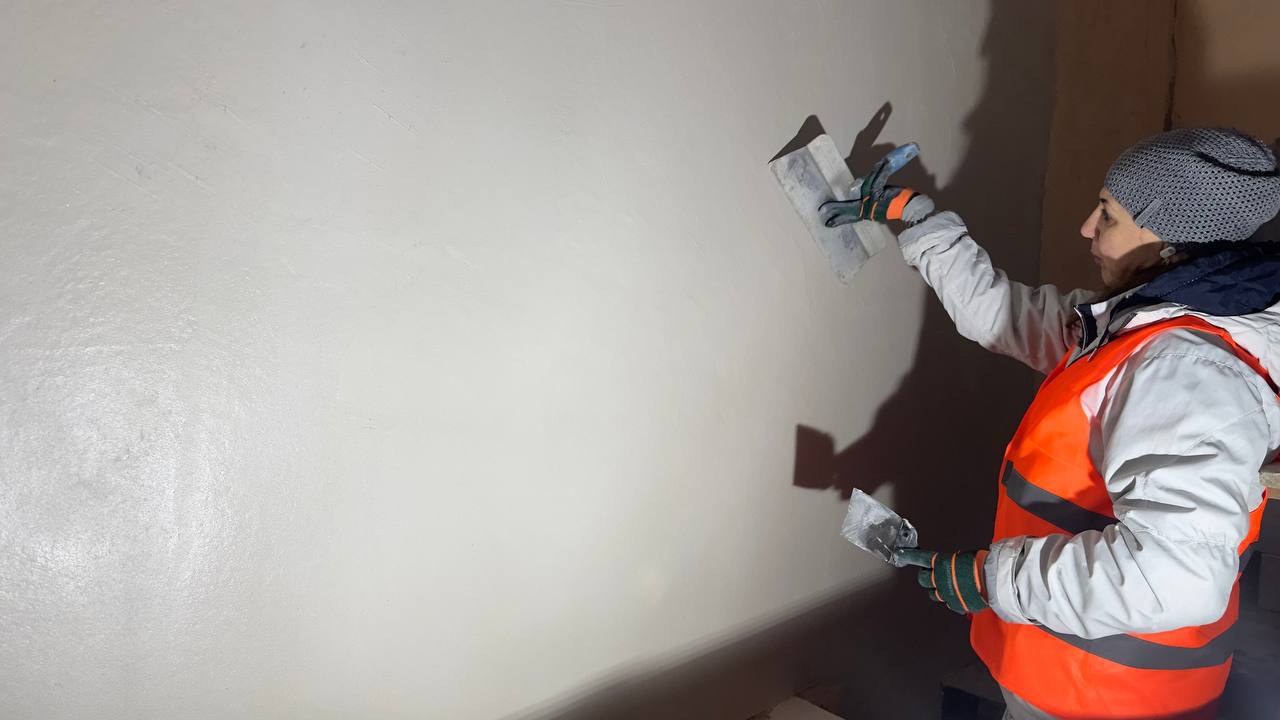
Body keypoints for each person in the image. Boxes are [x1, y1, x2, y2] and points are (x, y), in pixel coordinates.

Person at [823, 127, 1280, 719]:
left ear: (1170, 241)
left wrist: (994, 579)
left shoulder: (1185, 371)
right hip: (1068, 679)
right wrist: (918, 219)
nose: (1086, 227)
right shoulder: (1135, 325)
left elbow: (1179, 578)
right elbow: (1004, 316)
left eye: (1108, 214)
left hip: (1113, 701)